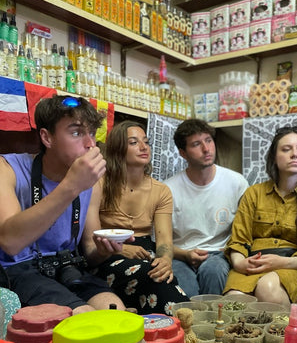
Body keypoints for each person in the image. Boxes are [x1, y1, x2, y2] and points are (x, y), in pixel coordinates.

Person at [0, 95, 125, 314]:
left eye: (92, 133)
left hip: (67, 267)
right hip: (17, 269)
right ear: (47, 138)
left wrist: (104, 250)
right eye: (76, 133)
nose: (90, 144)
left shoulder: (92, 182)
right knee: (82, 318)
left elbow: (90, 250)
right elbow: (10, 242)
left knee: (114, 312)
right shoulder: (7, 168)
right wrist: (72, 185)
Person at [224, 126, 297, 310]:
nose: (294, 154)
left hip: (293, 267)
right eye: (286, 149)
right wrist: (240, 263)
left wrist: (282, 262)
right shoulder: (254, 193)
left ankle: (281, 337)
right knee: (234, 302)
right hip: (252, 264)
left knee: (268, 288)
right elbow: (238, 240)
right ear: (274, 156)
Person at [91, 121, 189, 314]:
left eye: (146, 141)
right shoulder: (98, 184)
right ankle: (181, 324)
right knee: (150, 275)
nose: (144, 147)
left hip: (146, 252)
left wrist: (165, 261)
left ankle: (172, 327)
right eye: (134, 143)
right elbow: (90, 242)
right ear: (118, 148)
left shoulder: (161, 190)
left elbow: (164, 241)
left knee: (161, 273)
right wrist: (121, 249)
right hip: (107, 255)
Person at [164, 119, 248, 298]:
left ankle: (214, 324)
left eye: (209, 140)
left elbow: (244, 233)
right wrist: (185, 254)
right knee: (186, 287)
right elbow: (160, 241)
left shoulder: (236, 182)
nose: (206, 149)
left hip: (219, 252)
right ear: (183, 153)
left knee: (213, 271)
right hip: (180, 254)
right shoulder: (168, 189)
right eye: (196, 144)